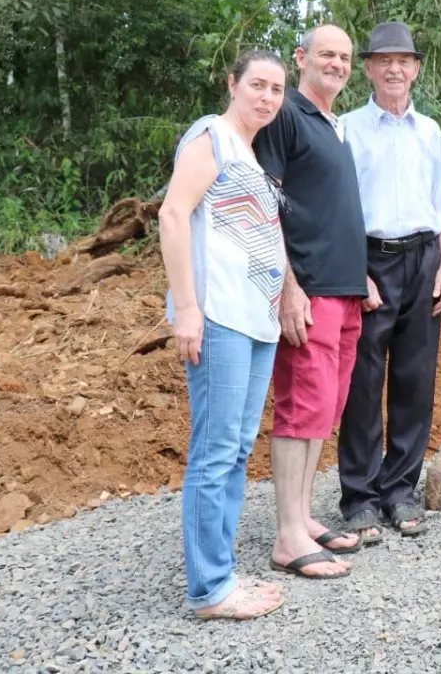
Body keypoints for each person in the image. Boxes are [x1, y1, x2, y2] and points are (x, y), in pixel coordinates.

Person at [159, 49, 289, 619]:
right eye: (257, 84)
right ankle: (209, 589)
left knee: (235, 450)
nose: (266, 97)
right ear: (232, 84)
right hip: (220, 317)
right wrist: (188, 309)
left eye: (277, 90)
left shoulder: (250, 155)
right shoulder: (211, 136)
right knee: (214, 452)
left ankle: (222, 574)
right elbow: (172, 214)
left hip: (256, 321)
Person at [253, 25, 367, 579]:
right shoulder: (286, 117)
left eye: (345, 57)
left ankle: (302, 517)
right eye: (327, 53)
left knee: (324, 409)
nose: (337, 64)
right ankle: (286, 536)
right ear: (302, 58)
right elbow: (267, 206)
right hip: (310, 291)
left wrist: (360, 275)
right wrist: (288, 286)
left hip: (345, 292)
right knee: (300, 409)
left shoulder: (331, 125)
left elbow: (329, 208)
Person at [338, 21, 441, 541]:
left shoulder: (429, 131)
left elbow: (440, 207)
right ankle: (360, 496)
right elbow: (339, 211)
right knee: (363, 383)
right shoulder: (347, 129)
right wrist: (355, 271)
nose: (393, 69)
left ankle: (401, 491)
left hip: (423, 259)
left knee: (416, 380)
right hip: (368, 261)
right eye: (383, 60)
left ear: (416, 68)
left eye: (403, 61)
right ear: (367, 68)